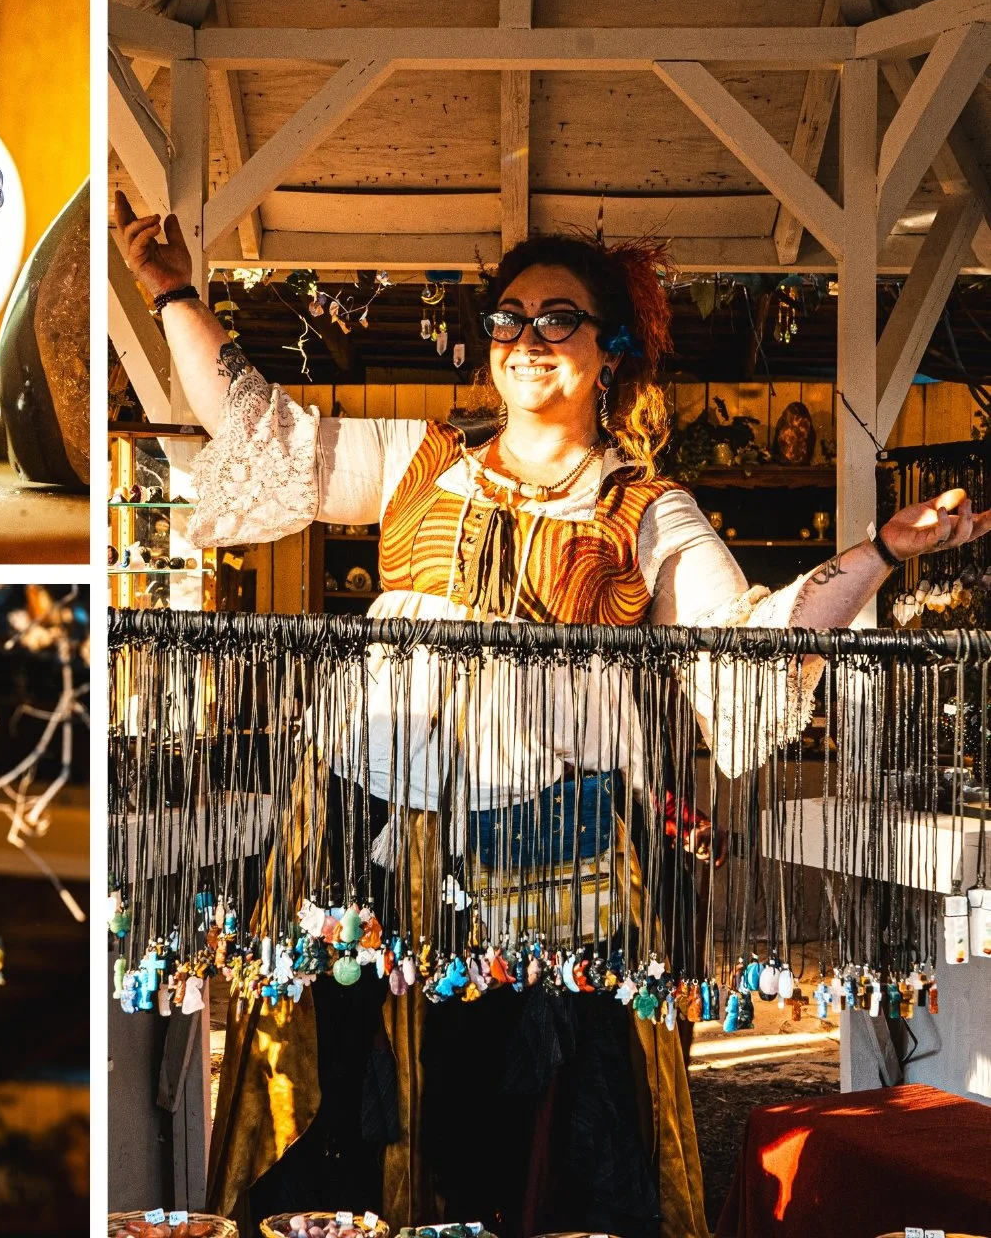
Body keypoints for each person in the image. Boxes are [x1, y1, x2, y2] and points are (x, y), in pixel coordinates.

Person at [114, 189, 990, 1238]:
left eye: (557, 317)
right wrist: (168, 288)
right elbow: (261, 428)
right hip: (363, 807)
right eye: (507, 318)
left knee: (537, 1096)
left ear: (609, 347)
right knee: (353, 1067)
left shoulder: (643, 506)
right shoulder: (418, 460)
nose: (527, 339)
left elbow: (749, 638)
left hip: (550, 835)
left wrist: (881, 552)